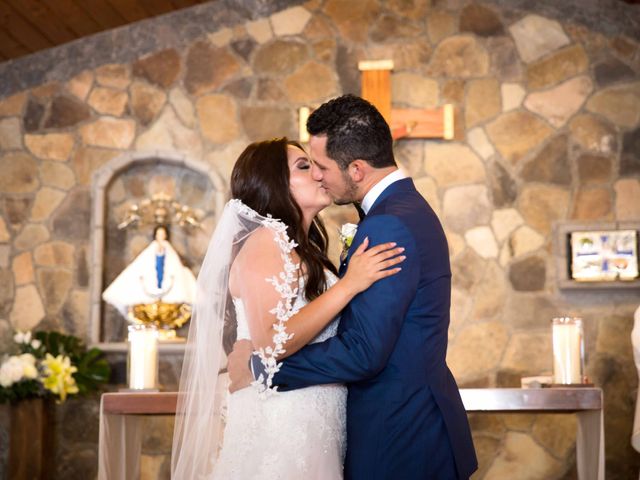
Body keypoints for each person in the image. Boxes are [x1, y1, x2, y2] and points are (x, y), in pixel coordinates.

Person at [228, 94, 478, 479]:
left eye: (320, 166)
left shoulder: (387, 224)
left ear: (357, 169)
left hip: (396, 430)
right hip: (328, 423)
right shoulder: (401, 212)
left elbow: (363, 352)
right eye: (306, 166)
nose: (318, 175)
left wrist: (262, 369)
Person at [171, 138, 405, 479]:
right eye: (304, 166)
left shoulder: (302, 248)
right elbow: (272, 343)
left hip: (313, 415)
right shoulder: (268, 240)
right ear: (273, 183)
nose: (319, 174)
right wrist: (351, 284)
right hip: (282, 419)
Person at [102, 224, 196, 318]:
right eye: (159, 234)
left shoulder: (169, 249)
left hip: (166, 275)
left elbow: (174, 264)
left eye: (162, 234)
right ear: (155, 235)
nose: (161, 236)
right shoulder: (151, 249)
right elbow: (143, 263)